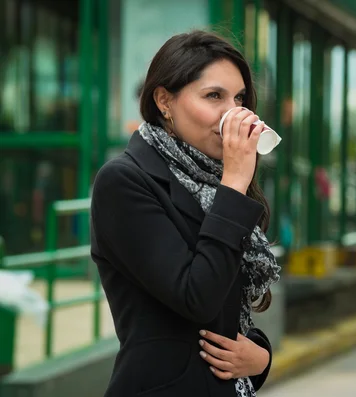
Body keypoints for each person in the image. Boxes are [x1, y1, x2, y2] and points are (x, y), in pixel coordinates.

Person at [90, 30, 281, 397]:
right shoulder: (124, 181)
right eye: (214, 96)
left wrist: (260, 356)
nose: (234, 113)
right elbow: (196, 296)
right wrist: (234, 184)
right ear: (164, 101)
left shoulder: (212, 180)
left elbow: (228, 305)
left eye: (239, 97)